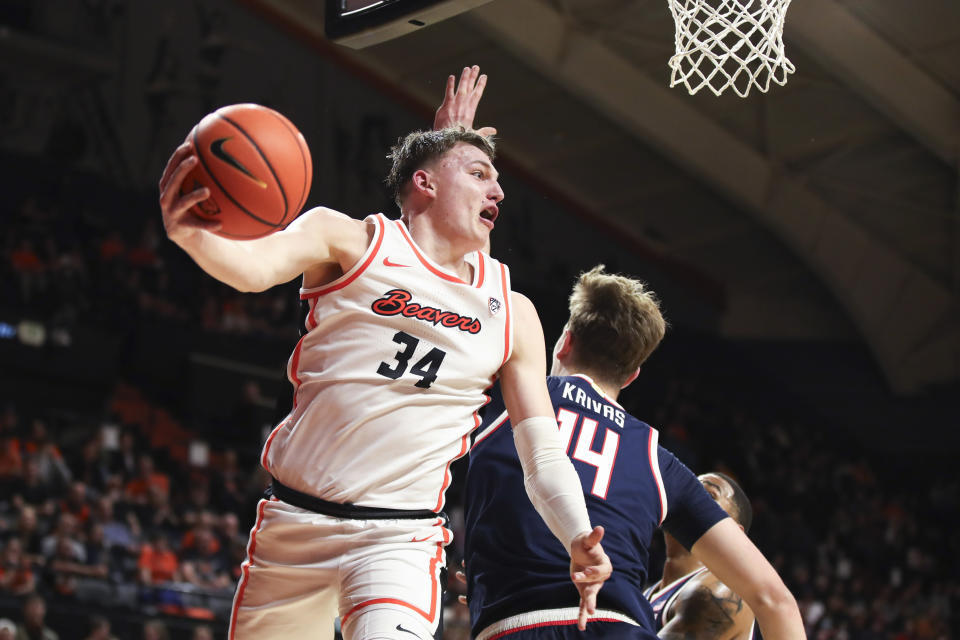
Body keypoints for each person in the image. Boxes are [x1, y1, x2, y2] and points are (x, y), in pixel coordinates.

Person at [157, 65, 611, 639]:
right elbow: (254, 270)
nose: (498, 190)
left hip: (398, 539)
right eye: (479, 174)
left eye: (497, 180)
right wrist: (192, 235)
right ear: (424, 184)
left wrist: (577, 534)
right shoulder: (349, 241)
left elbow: (542, 455)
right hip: (294, 527)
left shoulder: (512, 311)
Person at [463, 265, 805, 639]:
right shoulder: (659, 460)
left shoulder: (503, 396)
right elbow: (777, 601)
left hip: (523, 627)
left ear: (564, 343)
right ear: (631, 376)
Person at [645, 472, 762, 639]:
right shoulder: (649, 594)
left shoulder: (718, 591)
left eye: (708, 496)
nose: (689, 499)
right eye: (688, 490)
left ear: (734, 532)